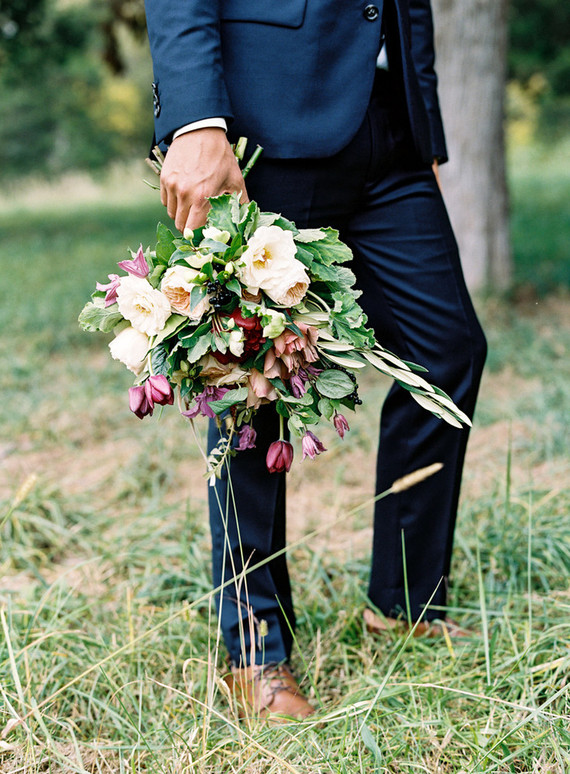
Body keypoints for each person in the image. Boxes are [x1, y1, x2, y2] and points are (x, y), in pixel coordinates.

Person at [144, 0, 487, 721]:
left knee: (447, 351)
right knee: (253, 383)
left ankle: (405, 601)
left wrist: (423, 123)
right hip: (265, 119)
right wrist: (195, 118)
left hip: (389, 127)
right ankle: (256, 650)